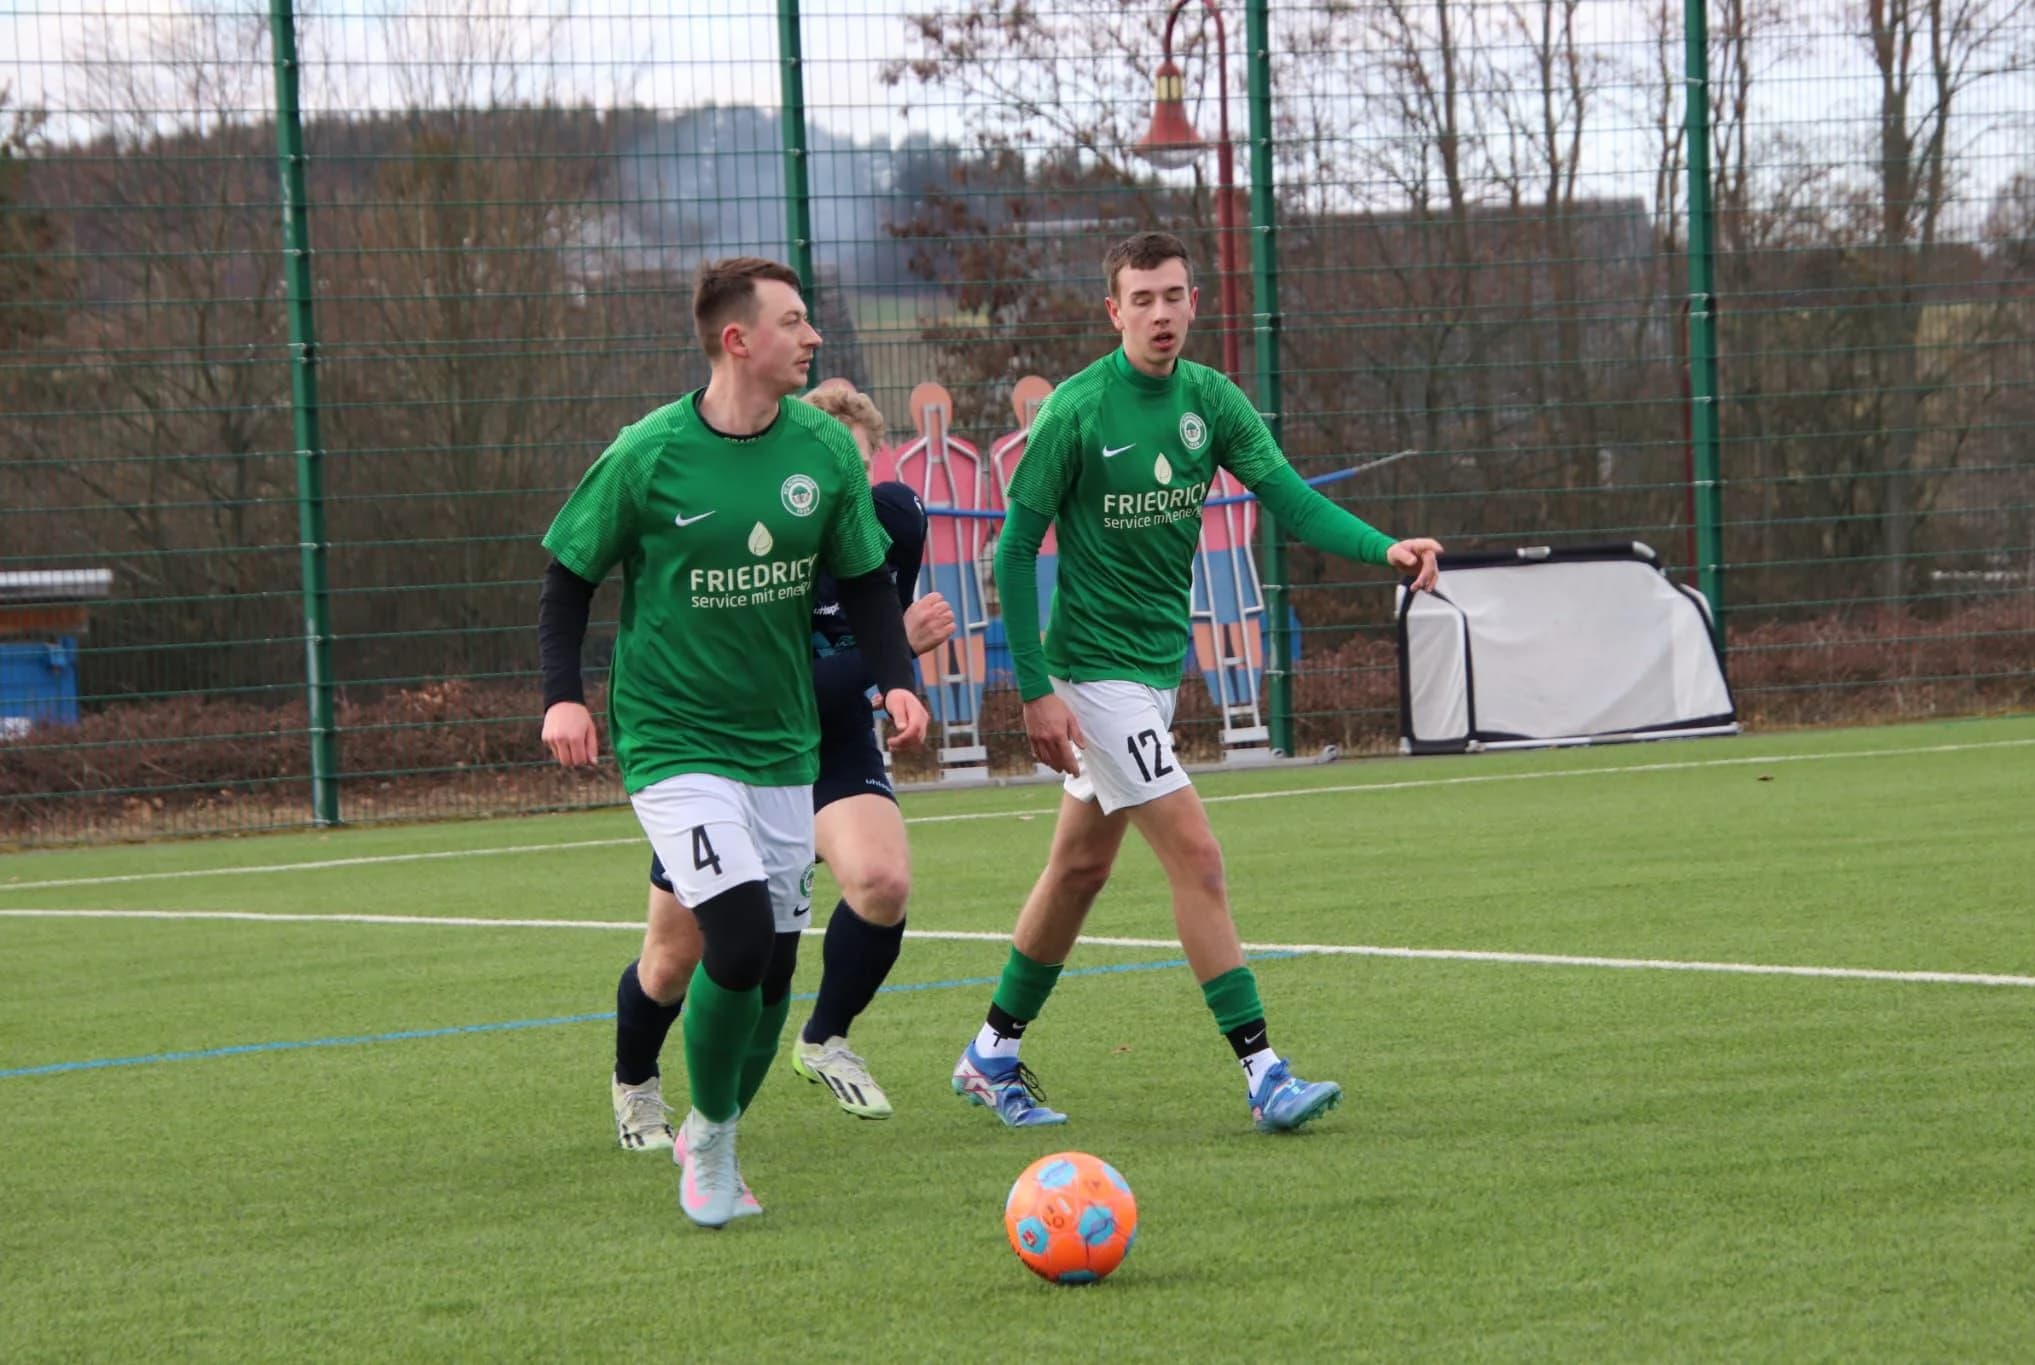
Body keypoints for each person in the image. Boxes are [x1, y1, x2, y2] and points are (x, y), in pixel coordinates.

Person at [950, 231, 1442, 1134]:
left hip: (1150, 669)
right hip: (1091, 673)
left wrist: (1385, 547)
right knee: (1198, 857)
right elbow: (1016, 550)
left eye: (1174, 295)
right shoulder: (1077, 411)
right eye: (1142, 299)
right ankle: (1264, 1071)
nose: (1161, 314)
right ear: (1114, 311)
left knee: (1078, 869)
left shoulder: (1211, 400)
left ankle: (991, 1052)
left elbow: (1286, 499)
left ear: (1193, 302)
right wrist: (1034, 690)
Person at [539, 257, 929, 1228]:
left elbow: (870, 583)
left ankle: (712, 1128)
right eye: (793, 323)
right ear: (736, 340)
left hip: (782, 746)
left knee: (772, 972)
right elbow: (567, 575)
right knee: (741, 937)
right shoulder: (649, 453)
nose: (813, 339)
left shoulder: (824, 453)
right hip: (672, 740)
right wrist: (563, 698)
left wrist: (897, 681)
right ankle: (707, 1143)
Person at [613, 381, 954, 1149]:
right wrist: (893, 650)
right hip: (737, 743)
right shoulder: (762, 539)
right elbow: (802, 676)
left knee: (882, 881)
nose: (843, 494)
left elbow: (868, 639)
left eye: (857, 470)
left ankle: (824, 1036)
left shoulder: (894, 520)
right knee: (672, 960)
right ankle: (636, 1080)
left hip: (831, 742)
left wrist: (895, 676)